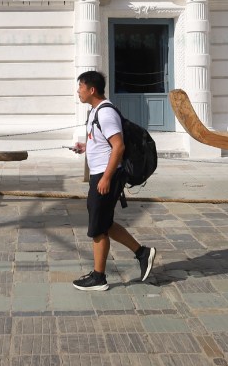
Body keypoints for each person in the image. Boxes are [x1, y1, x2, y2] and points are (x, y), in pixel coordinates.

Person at [69, 70, 157, 291]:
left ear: (92, 89)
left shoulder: (106, 113)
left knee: (98, 228)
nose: (78, 91)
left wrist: (106, 178)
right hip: (100, 173)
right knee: (104, 223)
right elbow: (103, 142)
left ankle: (99, 277)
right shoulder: (95, 111)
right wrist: (85, 147)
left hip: (105, 175)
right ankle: (142, 252)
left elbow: (118, 146)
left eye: (80, 87)